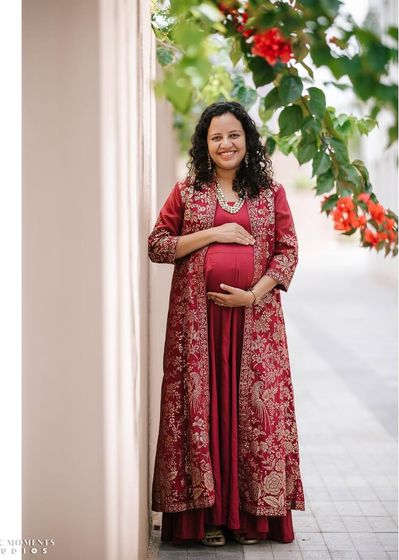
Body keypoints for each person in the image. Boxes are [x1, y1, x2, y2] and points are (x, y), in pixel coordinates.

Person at [148, 101, 305, 547]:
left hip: (255, 326)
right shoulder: (188, 191)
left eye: (233, 135)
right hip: (197, 330)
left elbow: (288, 251)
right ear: (205, 144)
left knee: (255, 415)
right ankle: (207, 519)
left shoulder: (269, 193)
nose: (225, 144)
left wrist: (254, 294)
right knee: (204, 413)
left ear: (247, 139)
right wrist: (214, 233)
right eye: (216, 137)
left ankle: (251, 520)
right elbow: (158, 246)